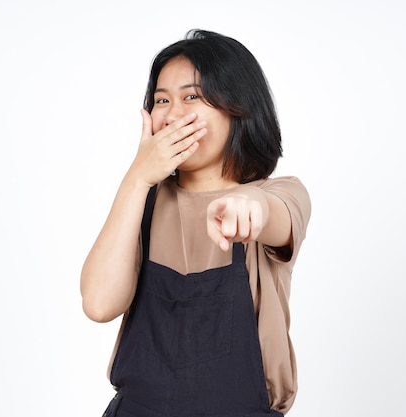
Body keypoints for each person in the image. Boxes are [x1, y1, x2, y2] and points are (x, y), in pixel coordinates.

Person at [80, 29, 311, 417]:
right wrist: (136, 178)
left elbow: (271, 214)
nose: (172, 114)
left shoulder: (283, 194)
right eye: (161, 100)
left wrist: (249, 205)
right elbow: (99, 304)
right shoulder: (143, 202)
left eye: (191, 97)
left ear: (237, 106)